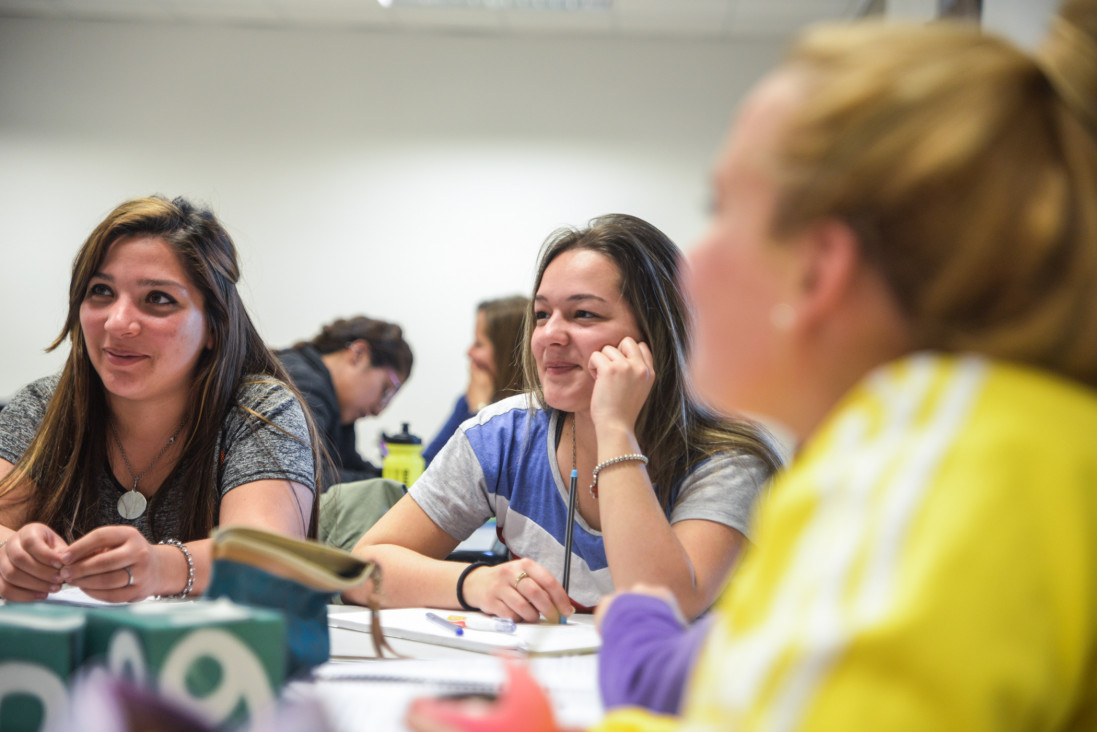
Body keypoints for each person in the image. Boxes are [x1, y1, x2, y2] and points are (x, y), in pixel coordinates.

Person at [407, 0, 1097, 729]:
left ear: (817, 272)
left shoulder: (952, 467)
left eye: (723, 212)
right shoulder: (883, 451)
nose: (691, 273)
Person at [345, 214, 783, 622]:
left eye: (584, 314)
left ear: (656, 334)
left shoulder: (726, 460)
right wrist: (473, 583)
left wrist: (614, 428)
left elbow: (663, 606)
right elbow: (362, 569)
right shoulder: (500, 436)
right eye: (541, 315)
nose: (550, 335)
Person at [0, 195, 321, 603]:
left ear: (213, 327)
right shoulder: (43, 406)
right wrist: (10, 556)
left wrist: (159, 567)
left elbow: (268, 556)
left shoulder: (259, 410)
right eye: (101, 291)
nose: (118, 323)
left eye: (158, 299)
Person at [277, 317, 413, 488]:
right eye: (385, 391)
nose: (378, 411)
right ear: (358, 353)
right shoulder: (300, 384)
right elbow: (311, 477)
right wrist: (387, 487)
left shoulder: (336, 405)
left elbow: (348, 464)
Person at [422, 295, 529, 464]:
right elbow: (428, 467)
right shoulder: (468, 400)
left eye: (479, 344)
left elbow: (499, 475)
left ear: (508, 353)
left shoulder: (535, 415)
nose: (469, 352)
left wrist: (480, 411)